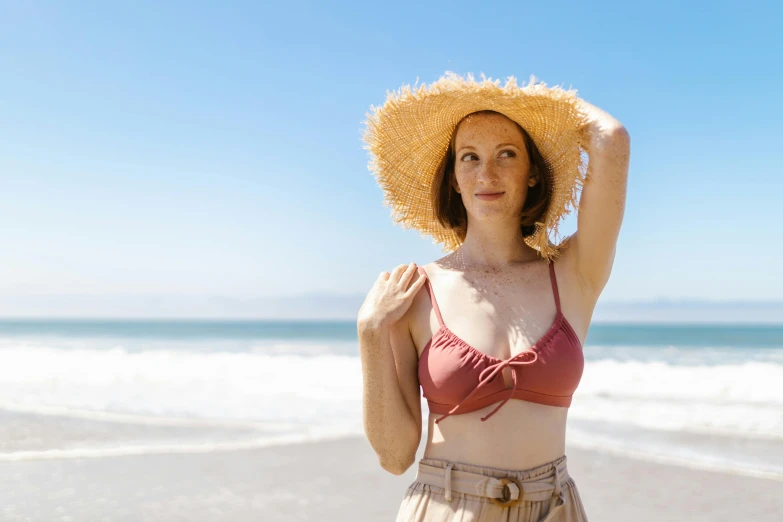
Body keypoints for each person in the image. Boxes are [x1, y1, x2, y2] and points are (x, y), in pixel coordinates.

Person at [357, 72, 630, 521]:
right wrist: (370, 332)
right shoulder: (415, 293)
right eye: (470, 157)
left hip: (554, 508)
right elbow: (394, 457)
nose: (487, 173)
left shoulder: (573, 275)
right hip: (448, 507)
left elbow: (612, 140)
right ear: (454, 180)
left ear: (533, 175)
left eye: (507, 153)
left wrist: (535, 105)